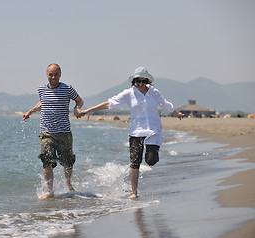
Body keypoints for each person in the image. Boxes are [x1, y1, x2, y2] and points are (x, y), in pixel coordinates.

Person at [79, 67, 184, 199]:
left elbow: (165, 104)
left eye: (142, 81)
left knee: (151, 160)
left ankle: (152, 153)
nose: (139, 84)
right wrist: (87, 111)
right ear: (133, 81)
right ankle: (134, 192)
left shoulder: (154, 92)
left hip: (153, 131)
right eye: (137, 82)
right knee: (135, 161)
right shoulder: (129, 93)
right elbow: (108, 104)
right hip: (136, 131)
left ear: (147, 81)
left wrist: (177, 113)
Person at [23, 63, 84, 199]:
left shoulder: (67, 89)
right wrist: (30, 111)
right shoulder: (41, 89)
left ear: (60, 75)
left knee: (67, 161)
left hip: (64, 132)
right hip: (46, 132)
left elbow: (79, 100)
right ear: (47, 75)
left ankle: (68, 183)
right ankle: (49, 191)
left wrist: (76, 109)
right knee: (47, 160)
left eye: (56, 74)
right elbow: (42, 102)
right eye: (51, 74)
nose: (53, 77)